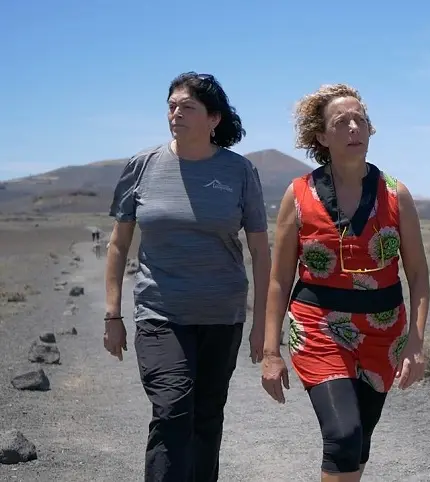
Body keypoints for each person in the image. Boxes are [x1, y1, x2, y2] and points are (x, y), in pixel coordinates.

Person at [102, 71, 271, 481]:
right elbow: (118, 245)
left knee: (207, 418)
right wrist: (112, 316)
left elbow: (261, 251)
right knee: (173, 409)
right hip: (161, 313)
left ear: (213, 118)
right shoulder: (142, 166)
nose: (175, 114)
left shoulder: (239, 172)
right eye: (172, 106)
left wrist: (263, 328)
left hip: (222, 315)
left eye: (187, 107)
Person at [260, 84, 430, 481]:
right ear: (321, 137)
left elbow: (418, 274)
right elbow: (279, 279)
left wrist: (416, 342)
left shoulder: (396, 195)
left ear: (370, 130)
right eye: (341, 122)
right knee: (342, 436)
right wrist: (271, 351)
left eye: (360, 120)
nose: (353, 127)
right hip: (318, 325)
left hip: (384, 332)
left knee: (359, 443)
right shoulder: (298, 195)